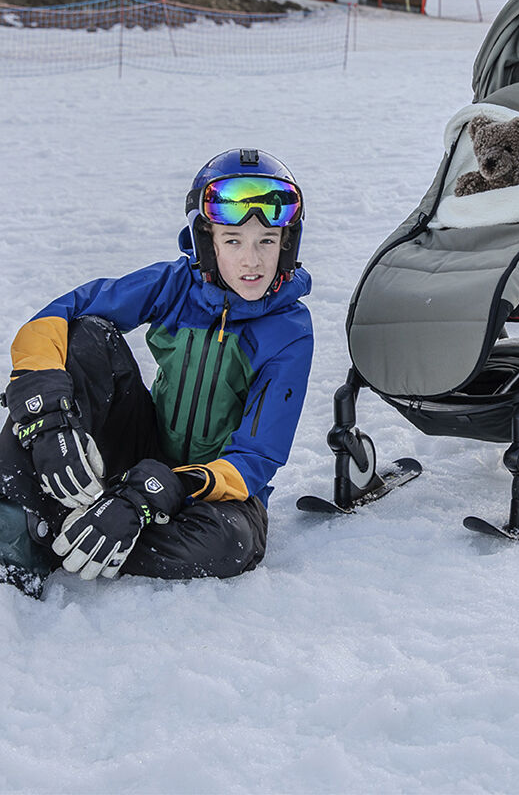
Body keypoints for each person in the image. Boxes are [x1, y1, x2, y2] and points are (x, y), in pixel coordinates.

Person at [0, 148, 314, 598]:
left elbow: (258, 456)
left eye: (267, 240)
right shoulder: (174, 285)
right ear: (207, 241)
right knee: (88, 335)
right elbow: (60, 315)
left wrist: (156, 491)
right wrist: (45, 413)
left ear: (287, 244)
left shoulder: (290, 332)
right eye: (233, 241)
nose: (252, 261)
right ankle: (16, 521)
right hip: (142, 447)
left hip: (214, 486)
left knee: (232, 544)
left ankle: (72, 531)